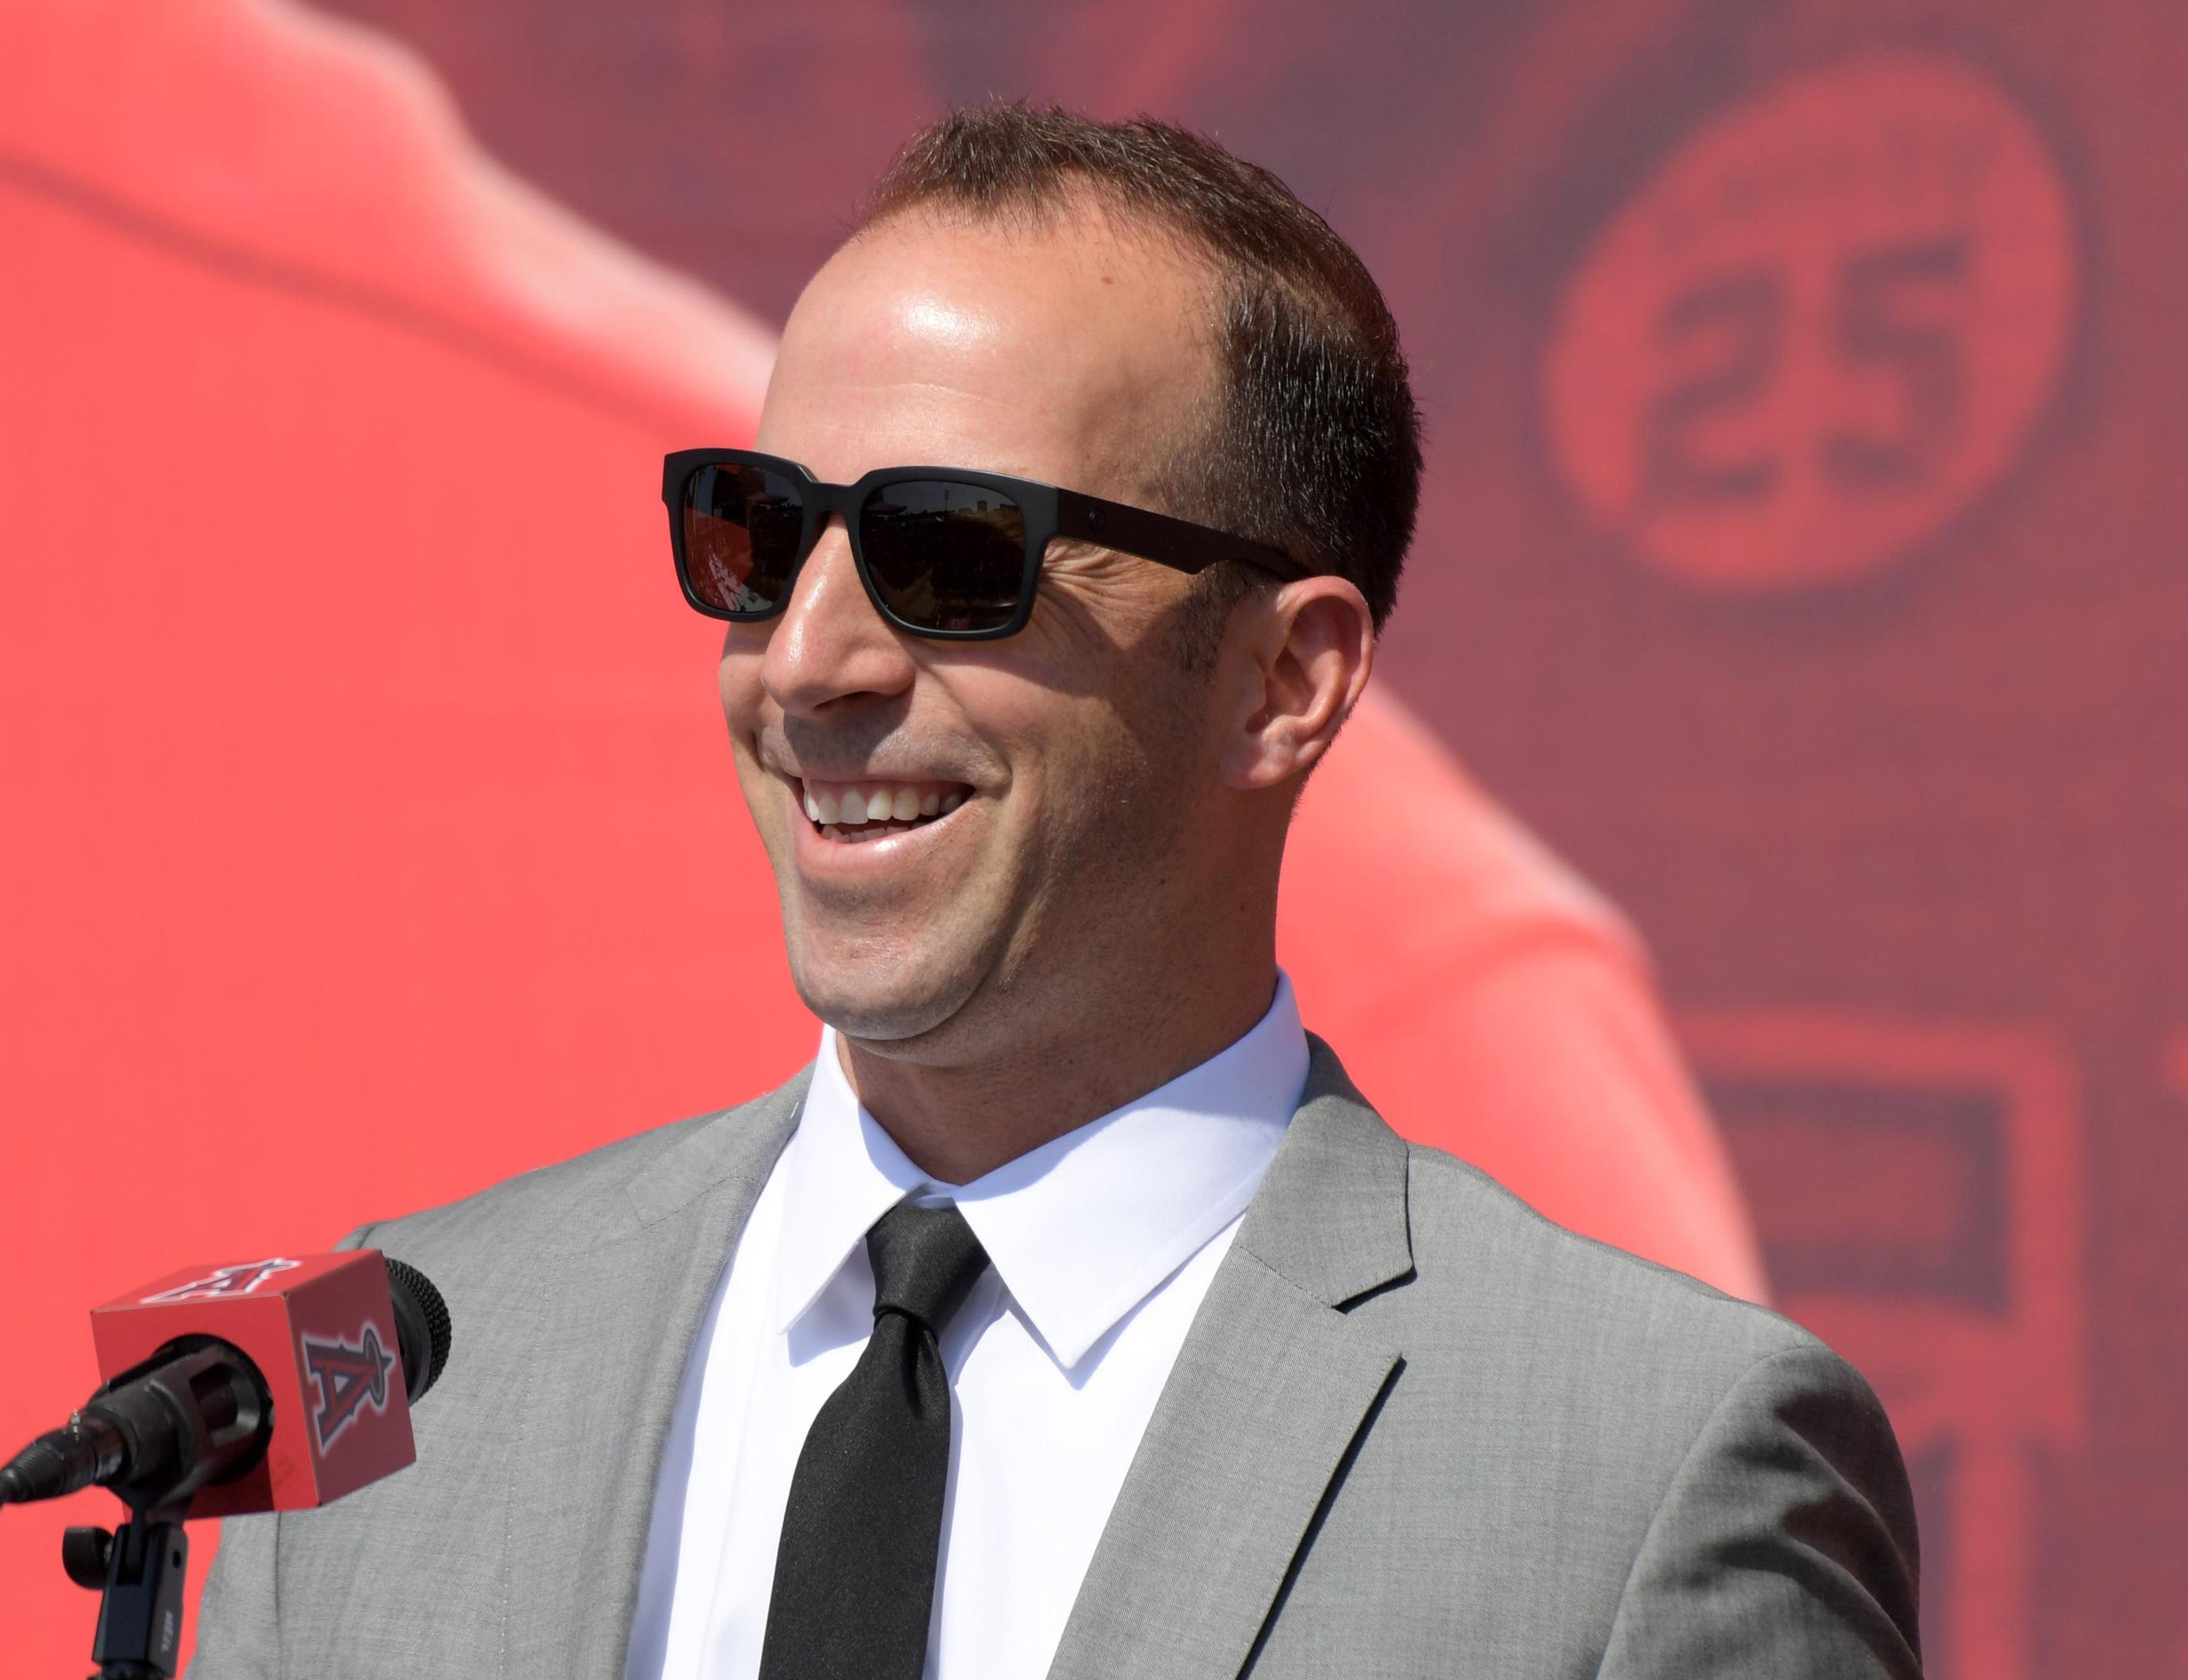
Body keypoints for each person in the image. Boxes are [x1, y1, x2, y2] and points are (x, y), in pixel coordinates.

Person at [185, 104, 1919, 1680]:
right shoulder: (396, 1375)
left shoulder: (1646, 1469)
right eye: (755, 534)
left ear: (1282, 681)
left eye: (951, 555)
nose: (805, 664)